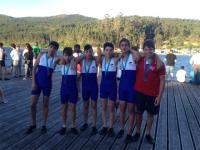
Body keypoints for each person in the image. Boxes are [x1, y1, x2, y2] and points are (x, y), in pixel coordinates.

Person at [133, 39, 165, 144]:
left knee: (150, 114)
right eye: (146, 49)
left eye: (150, 49)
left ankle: (147, 133)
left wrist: (159, 97)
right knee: (138, 113)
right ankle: (137, 132)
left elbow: (162, 81)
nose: (148, 52)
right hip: (139, 92)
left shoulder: (159, 64)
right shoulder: (139, 59)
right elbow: (129, 51)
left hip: (152, 94)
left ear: (154, 50)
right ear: (143, 50)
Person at [26, 41, 59, 134]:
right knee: (32, 104)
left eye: (54, 48)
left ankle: (43, 125)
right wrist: (33, 82)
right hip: (37, 83)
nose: (52, 49)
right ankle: (33, 124)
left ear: (56, 50)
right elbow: (34, 68)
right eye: (51, 47)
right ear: (48, 47)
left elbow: (64, 60)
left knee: (45, 104)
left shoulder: (56, 59)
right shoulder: (41, 55)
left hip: (47, 84)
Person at [116, 38, 140, 143]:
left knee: (131, 111)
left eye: (126, 45)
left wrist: (131, 50)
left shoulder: (133, 56)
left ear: (129, 46)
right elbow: (117, 76)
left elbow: (139, 57)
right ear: (120, 47)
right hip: (122, 88)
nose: (124, 47)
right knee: (121, 110)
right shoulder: (120, 59)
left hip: (132, 89)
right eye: (122, 45)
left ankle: (129, 132)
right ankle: (122, 128)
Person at [56, 47, 79, 135]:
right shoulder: (62, 62)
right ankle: (64, 126)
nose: (67, 57)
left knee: (73, 108)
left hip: (73, 88)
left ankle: (73, 126)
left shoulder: (74, 62)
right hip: (64, 89)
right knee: (64, 107)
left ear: (72, 55)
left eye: (69, 55)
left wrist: (72, 59)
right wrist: (63, 58)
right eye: (66, 55)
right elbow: (58, 59)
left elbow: (73, 67)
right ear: (63, 55)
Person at [98, 42, 118, 137]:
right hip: (103, 87)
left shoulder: (115, 60)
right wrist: (101, 53)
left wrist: (115, 54)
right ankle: (104, 126)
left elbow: (123, 54)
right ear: (104, 51)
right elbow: (96, 55)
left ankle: (111, 127)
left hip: (112, 88)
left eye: (110, 50)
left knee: (111, 108)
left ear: (113, 51)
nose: (109, 52)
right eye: (107, 50)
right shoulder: (102, 59)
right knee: (104, 107)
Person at [79, 44, 98, 135]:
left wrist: (93, 55)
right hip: (85, 87)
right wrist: (84, 55)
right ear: (84, 52)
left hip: (94, 87)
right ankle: (85, 123)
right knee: (85, 105)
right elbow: (75, 60)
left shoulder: (95, 61)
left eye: (90, 51)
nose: (89, 53)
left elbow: (101, 58)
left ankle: (94, 125)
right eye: (87, 51)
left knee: (94, 106)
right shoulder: (81, 61)